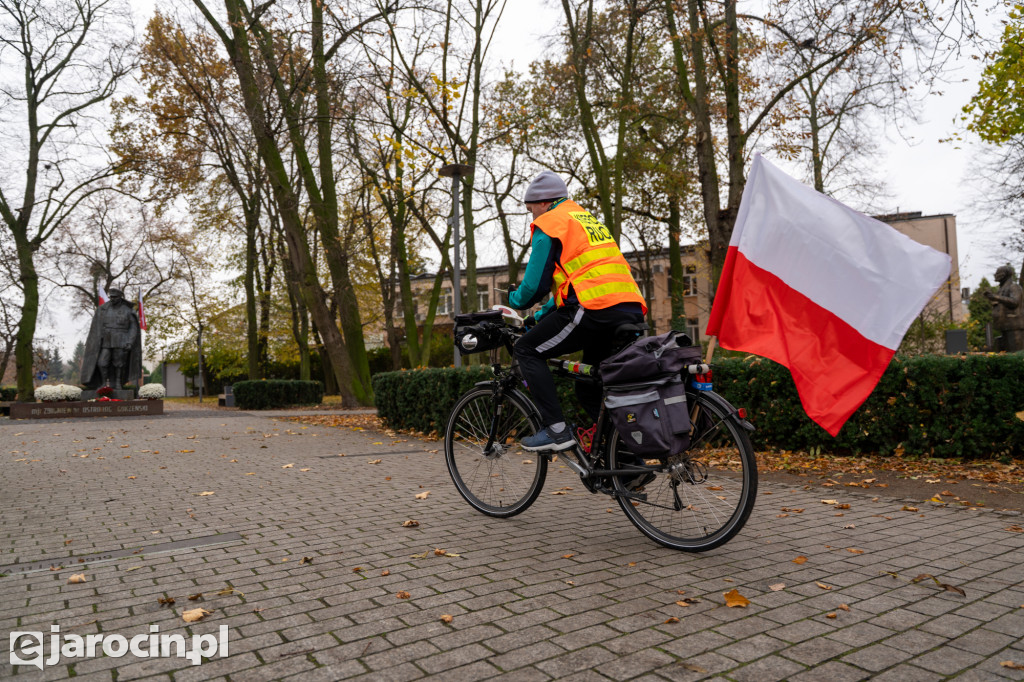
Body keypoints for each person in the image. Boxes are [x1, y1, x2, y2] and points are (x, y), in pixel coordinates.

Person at [509, 171, 647, 452]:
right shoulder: (586, 220)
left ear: (543, 203)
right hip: (629, 307)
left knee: (526, 350)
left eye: (530, 209)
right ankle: (627, 465)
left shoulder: (550, 223)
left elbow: (533, 288)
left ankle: (557, 431)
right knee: (589, 386)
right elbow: (578, 280)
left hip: (594, 309)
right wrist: (541, 315)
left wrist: (515, 301)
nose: (531, 217)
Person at [81, 287, 143, 389]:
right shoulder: (104, 309)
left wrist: (130, 342)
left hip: (121, 340)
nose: (112, 299)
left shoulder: (127, 310)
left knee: (119, 364)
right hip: (107, 340)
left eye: (115, 297)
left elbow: (133, 328)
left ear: (120, 297)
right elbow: (97, 326)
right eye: (111, 297)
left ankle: (118, 383)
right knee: (102, 362)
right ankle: (104, 383)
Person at [984, 264, 1024, 351]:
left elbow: (1015, 302)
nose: (995, 275)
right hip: (1004, 326)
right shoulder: (1001, 289)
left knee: (1015, 355)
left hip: (1014, 327)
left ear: (1004, 274)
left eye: (998, 273)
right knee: (1006, 354)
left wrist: (995, 297)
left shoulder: (1014, 287)